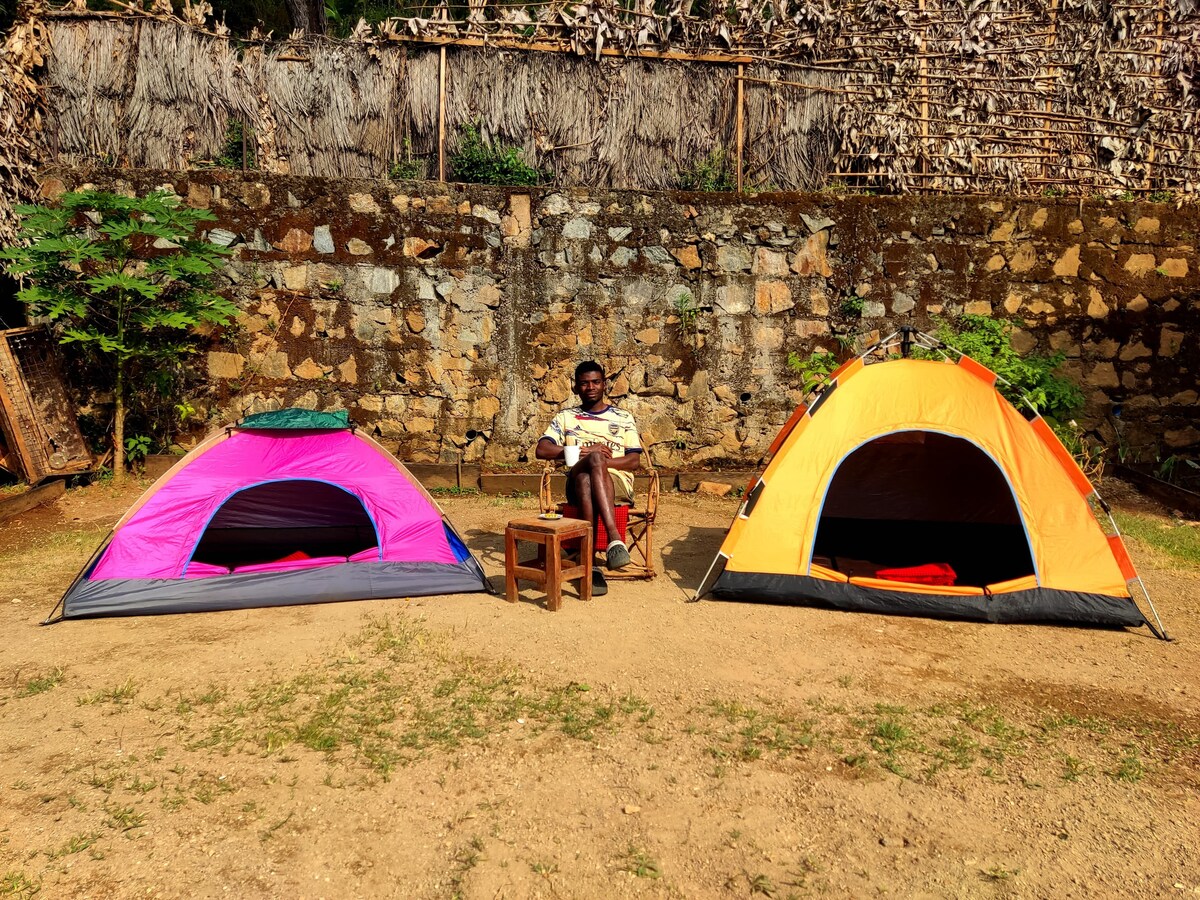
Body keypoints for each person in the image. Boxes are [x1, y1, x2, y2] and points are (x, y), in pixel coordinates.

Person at [536, 361, 642, 595]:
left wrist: (600, 463)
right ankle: (615, 539)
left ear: (605, 384)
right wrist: (583, 452)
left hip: (615, 482)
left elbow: (634, 461)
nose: (590, 387)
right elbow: (541, 449)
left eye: (596, 382)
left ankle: (589, 562)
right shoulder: (566, 417)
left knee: (588, 476)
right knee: (589, 464)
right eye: (584, 383)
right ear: (576, 387)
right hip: (573, 481)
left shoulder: (623, 417)